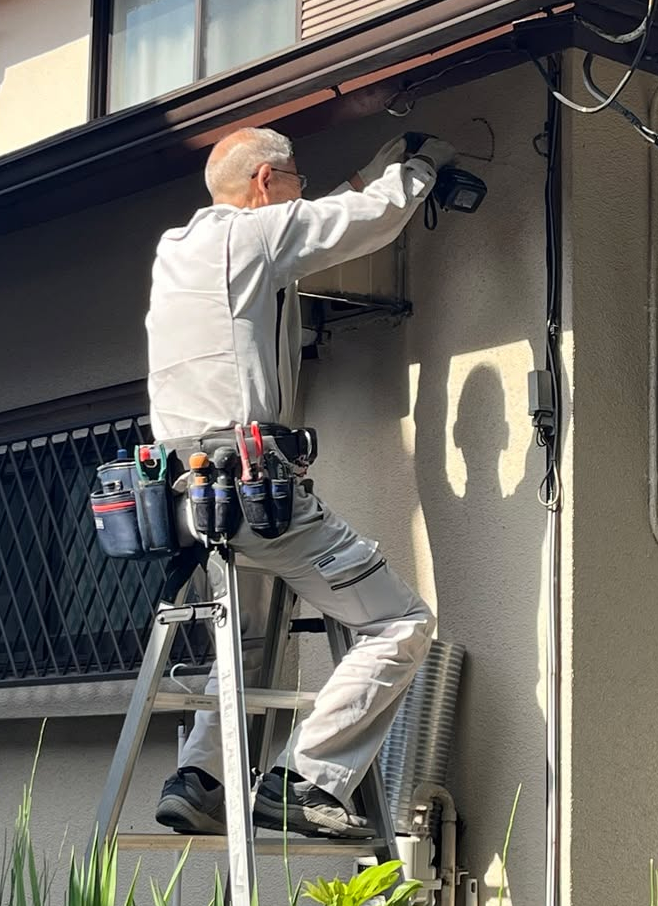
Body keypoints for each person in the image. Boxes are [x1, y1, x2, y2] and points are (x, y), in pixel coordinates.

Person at [146, 126, 455, 840]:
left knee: (248, 641)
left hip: (186, 494)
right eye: (294, 181)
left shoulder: (181, 249)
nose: (301, 192)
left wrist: (376, 161)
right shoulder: (250, 239)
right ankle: (303, 777)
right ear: (264, 184)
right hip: (251, 482)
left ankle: (200, 778)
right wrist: (422, 167)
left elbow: (325, 210)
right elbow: (366, 219)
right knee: (399, 622)